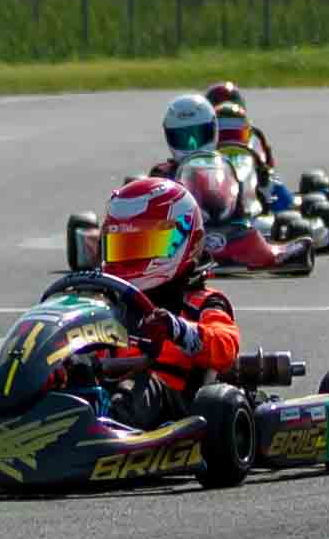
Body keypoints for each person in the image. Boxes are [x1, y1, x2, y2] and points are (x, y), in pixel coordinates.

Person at [86, 173, 241, 421]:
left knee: (142, 385)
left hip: (177, 406)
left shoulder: (202, 302)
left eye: (145, 245)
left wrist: (178, 330)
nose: (132, 257)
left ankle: (111, 426)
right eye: (124, 247)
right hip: (109, 392)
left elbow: (226, 347)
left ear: (187, 240)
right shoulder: (109, 306)